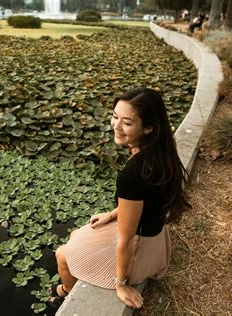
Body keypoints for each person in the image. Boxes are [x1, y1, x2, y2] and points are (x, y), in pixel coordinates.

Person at [49, 87, 191, 309]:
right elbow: (149, 201)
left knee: (62, 255)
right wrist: (112, 214)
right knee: (78, 234)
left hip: (140, 251)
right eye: (115, 116)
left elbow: (126, 239)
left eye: (127, 122)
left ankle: (65, 292)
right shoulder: (161, 151)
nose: (116, 126)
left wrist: (120, 283)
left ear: (148, 128)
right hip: (155, 238)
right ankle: (66, 288)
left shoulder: (132, 175)